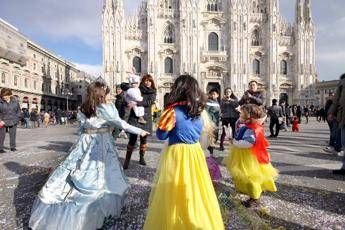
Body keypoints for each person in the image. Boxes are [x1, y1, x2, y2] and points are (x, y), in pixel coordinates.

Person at [29, 81, 149, 230]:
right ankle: (95, 211)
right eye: (106, 93)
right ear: (101, 94)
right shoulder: (106, 107)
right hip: (101, 142)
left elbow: (80, 129)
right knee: (101, 176)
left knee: (74, 168)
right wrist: (140, 131)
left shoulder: (83, 108)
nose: (109, 95)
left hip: (84, 141)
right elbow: (121, 124)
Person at [143, 75, 224, 229]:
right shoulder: (199, 113)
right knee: (195, 187)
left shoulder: (171, 112)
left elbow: (161, 135)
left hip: (177, 153)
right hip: (195, 153)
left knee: (174, 189)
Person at [223, 104, 278, 208]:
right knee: (247, 174)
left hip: (248, 157)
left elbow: (248, 143)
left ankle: (255, 198)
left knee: (250, 176)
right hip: (244, 154)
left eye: (242, 115)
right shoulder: (250, 127)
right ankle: (250, 190)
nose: (240, 117)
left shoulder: (252, 129)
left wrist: (234, 141)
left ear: (250, 118)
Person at [124, 74, 157, 169]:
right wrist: (131, 77)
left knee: (144, 139)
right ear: (142, 81)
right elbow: (124, 86)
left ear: (152, 82)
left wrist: (136, 102)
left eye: (149, 81)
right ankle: (127, 160)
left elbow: (149, 103)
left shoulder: (153, 92)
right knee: (132, 139)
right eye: (146, 80)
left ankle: (142, 157)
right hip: (135, 116)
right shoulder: (138, 88)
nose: (147, 82)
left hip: (146, 118)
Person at [328, 74, 345, 174]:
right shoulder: (342, 82)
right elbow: (336, 100)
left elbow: (336, 101)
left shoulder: (342, 82)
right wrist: (331, 112)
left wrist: (331, 112)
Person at [0, 88, 22, 153]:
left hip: (13, 120)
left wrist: (17, 119)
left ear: (10, 95)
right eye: (3, 96)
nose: (4, 97)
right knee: (1, 135)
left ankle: (13, 147)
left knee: (13, 134)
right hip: (3, 121)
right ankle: (0, 148)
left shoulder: (15, 102)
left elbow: (18, 111)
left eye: (6, 96)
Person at [205, 88, 220, 155]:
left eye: (214, 94)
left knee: (215, 137)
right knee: (210, 137)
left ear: (217, 95)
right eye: (211, 94)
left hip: (216, 122)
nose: (212, 95)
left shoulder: (217, 102)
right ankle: (209, 152)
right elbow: (205, 113)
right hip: (210, 123)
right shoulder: (208, 102)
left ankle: (210, 151)